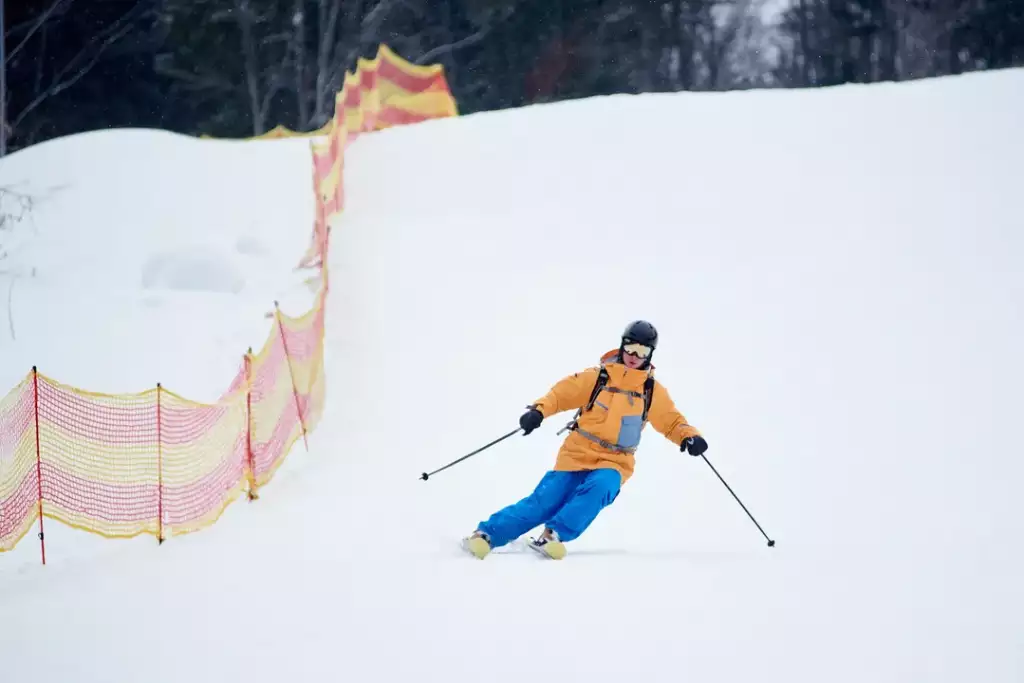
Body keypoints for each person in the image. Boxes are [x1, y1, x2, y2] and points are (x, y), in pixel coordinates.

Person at [463, 320, 708, 560]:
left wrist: (689, 437)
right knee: (544, 502)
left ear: (650, 354)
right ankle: (485, 535)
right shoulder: (597, 377)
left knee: (603, 485)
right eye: (630, 347)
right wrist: (538, 411)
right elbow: (560, 395)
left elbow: (672, 420)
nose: (634, 355)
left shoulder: (651, 391)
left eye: (642, 351)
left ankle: (552, 535)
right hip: (576, 455)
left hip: (615, 460)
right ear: (622, 345)